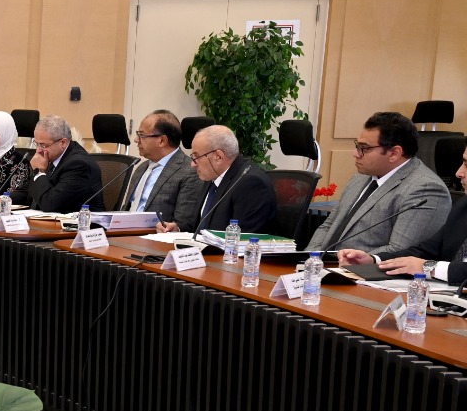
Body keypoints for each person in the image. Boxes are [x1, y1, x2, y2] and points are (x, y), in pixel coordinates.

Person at [305, 111, 449, 260]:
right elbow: (329, 225)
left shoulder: (426, 190)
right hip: (322, 267)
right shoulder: (361, 176)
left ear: (394, 153)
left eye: (364, 148)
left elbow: (400, 251)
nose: (355, 153)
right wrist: (310, 258)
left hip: (360, 271)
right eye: (357, 146)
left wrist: (342, 264)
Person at [340, 146, 467, 286]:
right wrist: (373, 260)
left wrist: (429, 267)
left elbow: (425, 263)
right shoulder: (463, 206)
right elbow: (427, 250)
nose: (459, 173)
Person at [176, 124, 277, 234]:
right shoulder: (213, 175)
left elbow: (243, 237)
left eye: (196, 157)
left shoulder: (251, 184)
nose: (192, 164)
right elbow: (203, 225)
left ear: (218, 157)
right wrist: (178, 228)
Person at [0, 115, 102, 212]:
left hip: (80, 223)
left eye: (43, 145)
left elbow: (50, 204)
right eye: (37, 144)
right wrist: (0, 199)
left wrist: (39, 172)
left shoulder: (79, 165)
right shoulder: (52, 157)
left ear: (63, 142)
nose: (38, 150)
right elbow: (29, 192)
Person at [124, 110, 204, 230]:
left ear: (162, 141)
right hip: (123, 233)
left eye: (142, 135)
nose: (136, 140)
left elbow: (184, 224)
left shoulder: (189, 171)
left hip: (155, 237)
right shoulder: (141, 167)